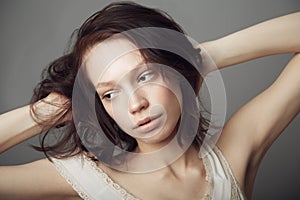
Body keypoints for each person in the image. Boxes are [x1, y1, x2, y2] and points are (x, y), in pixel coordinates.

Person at [0, 1, 299, 199]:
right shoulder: (86, 177)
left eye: (144, 76)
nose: (135, 104)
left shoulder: (234, 153)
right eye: (109, 93)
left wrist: (201, 57)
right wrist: (49, 111)